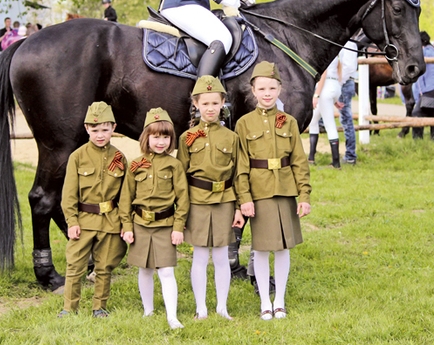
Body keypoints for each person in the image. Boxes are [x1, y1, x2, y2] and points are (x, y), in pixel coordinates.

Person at [235, 61, 311, 320]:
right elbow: (241, 165)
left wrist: (304, 195)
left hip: (285, 190)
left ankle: (279, 299)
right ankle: (264, 301)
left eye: (272, 88)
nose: (267, 93)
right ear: (253, 91)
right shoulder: (244, 124)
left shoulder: (289, 122)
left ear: (280, 89)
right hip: (260, 192)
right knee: (261, 248)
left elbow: (299, 161)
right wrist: (244, 198)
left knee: (283, 248)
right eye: (262, 88)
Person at [176, 76, 244, 321]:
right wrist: (181, 212)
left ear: (223, 102)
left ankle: (222, 307)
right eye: (205, 103)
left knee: (222, 254)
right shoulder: (187, 138)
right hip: (197, 201)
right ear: (196, 104)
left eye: (215, 103)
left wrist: (238, 207)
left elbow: (238, 174)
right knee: (200, 255)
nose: (210, 108)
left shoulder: (232, 138)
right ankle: (201, 308)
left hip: (225, 200)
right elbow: (179, 178)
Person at [119, 108, 189, 330]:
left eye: (165, 137)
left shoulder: (174, 165)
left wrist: (178, 227)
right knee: (144, 269)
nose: (161, 142)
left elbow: (183, 199)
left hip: (165, 225)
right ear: (145, 138)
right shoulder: (135, 164)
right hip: (140, 224)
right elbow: (126, 198)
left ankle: (172, 316)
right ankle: (148, 311)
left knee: (166, 271)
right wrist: (127, 226)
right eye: (155, 136)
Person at [59, 102, 128, 318]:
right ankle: (70, 308)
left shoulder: (120, 158)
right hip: (84, 219)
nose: (100, 135)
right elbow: (69, 194)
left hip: (110, 220)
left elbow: (124, 196)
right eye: (95, 130)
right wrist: (72, 222)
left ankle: (99, 307)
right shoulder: (77, 157)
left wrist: (124, 223)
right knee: (75, 265)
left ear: (113, 128)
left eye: (105, 130)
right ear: (87, 129)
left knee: (104, 266)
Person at [308, 56, 343, 168]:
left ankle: (336, 163)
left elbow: (323, 75)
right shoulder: (335, 55)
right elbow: (339, 69)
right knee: (313, 121)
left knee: (329, 125)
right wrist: (335, 98)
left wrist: (316, 95)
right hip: (335, 86)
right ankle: (311, 157)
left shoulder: (324, 55)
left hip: (325, 87)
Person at [412, 32, 434, 140]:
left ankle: (417, 139)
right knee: (431, 112)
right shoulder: (433, 51)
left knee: (416, 113)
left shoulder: (427, 52)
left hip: (430, 88)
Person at [339, 40, 358, 164]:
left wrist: (338, 82)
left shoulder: (349, 44)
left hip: (344, 83)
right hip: (343, 82)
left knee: (346, 119)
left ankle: (350, 155)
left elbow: (348, 67)